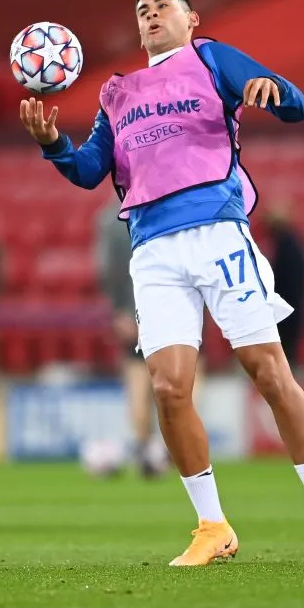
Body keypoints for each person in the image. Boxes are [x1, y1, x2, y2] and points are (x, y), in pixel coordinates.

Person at [19, 0, 304, 566]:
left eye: (162, 6)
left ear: (191, 18)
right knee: (168, 388)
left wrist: (274, 91)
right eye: (142, 11)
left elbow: (296, 104)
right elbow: (90, 170)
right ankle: (212, 526)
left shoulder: (212, 58)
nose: (151, 15)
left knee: (269, 372)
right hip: (152, 248)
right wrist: (54, 145)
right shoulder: (116, 93)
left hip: (217, 232)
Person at [95, 200, 167, 478]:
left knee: (145, 392)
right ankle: (161, 453)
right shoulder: (168, 209)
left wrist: (120, 311)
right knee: (173, 391)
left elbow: (109, 272)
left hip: (143, 316)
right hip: (164, 317)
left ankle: (151, 451)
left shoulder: (112, 220)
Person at [264, 206, 304, 367]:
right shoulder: (293, 244)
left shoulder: (285, 247)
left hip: (285, 307)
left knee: (284, 352)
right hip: (293, 305)